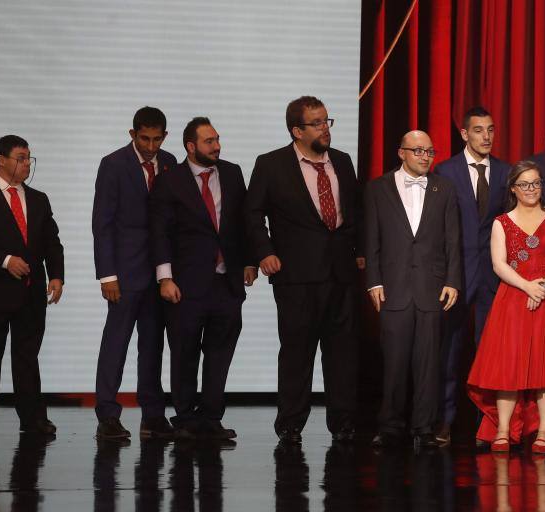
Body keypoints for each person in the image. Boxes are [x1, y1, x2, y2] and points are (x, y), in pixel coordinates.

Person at [245, 96, 364, 445]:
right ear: (297, 130)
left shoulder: (341, 161)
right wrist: (264, 253)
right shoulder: (271, 164)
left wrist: (359, 254)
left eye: (327, 121)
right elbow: (253, 215)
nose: (325, 128)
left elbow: (352, 213)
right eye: (317, 123)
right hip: (296, 276)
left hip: (340, 274)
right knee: (297, 352)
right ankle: (291, 424)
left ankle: (343, 423)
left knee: (342, 353)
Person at [150, 117, 256, 439]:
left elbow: (244, 221)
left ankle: (211, 418)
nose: (217, 146)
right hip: (185, 285)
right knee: (184, 352)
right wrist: (164, 278)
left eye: (218, 139)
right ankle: (184, 418)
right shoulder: (171, 181)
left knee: (220, 353)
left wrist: (250, 261)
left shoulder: (234, 173)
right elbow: (160, 233)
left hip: (227, 282)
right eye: (209, 141)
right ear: (191, 146)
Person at [365, 130, 462, 449]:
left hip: (432, 288)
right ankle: (390, 425)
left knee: (428, 362)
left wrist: (452, 280)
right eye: (418, 151)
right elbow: (372, 239)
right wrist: (374, 280)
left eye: (429, 152)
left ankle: (423, 426)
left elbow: (452, 239)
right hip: (393, 287)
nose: (425, 156)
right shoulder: (378, 188)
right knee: (394, 360)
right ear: (401, 152)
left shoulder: (444, 188)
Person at [467, 160, 545, 453]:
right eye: (524, 184)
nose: (531, 189)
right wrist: (527, 286)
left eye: (536, 183)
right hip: (513, 299)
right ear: (513, 188)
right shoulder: (502, 222)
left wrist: (544, 286)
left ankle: (544, 431)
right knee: (508, 367)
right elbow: (498, 264)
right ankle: (503, 430)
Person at [92, 106, 177, 439]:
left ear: (165, 136)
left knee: (153, 345)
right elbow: (103, 223)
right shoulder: (113, 164)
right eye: (145, 138)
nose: (151, 146)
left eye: (157, 139)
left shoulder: (169, 162)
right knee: (116, 342)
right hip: (124, 273)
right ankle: (107, 415)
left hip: (160, 272)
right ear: (133, 134)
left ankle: (152, 415)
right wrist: (107, 275)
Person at [0, 135, 64, 436]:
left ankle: (33, 419)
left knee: (27, 357)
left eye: (29, 158)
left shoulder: (38, 199)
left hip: (31, 292)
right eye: (21, 158)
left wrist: (57, 275)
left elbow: (52, 242)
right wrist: (5, 260)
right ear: (2, 160)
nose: (27, 164)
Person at [432, 107, 510, 445]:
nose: (486, 137)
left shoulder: (507, 172)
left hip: (494, 276)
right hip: (455, 276)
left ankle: (488, 425)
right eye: (479, 130)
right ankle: (444, 421)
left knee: (490, 353)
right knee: (449, 352)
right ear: (464, 134)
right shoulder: (445, 171)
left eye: (491, 130)